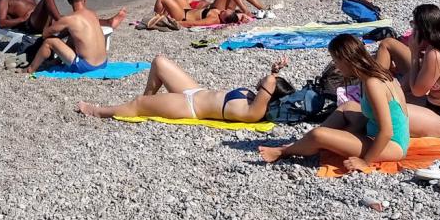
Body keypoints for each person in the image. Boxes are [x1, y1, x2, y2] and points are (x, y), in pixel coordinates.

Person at [259, 34, 409, 170]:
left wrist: (365, 162)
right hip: (379, 134)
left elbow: (387, 131)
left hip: (391, 146)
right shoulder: (375, 73)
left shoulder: (372, 83)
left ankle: (284, 151)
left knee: (319, 134)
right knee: (347, 106)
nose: (336, 67)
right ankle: (304, 143)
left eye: (336, 61)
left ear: (345, 60)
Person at [78, 54, 287, 121]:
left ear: (269, 94)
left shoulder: (255, 111)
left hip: (189, 107)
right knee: (159, 61)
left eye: (268, 83)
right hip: (195, 91)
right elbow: (267, 84)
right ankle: (146, 107)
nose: (264, 80)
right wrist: (274, 70)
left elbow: (268, 83)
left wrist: (274, 74)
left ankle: (97, 110)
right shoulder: (256, 98)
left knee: (139, 103)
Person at [375, 3, 440, 137]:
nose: (412, 33)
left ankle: (374, 94)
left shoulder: (436, 54)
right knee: (388, 103)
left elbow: (417, 91)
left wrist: (414, 53)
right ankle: (376, 92)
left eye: (414, 28)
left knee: (387, 113)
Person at [24, 0, 111, 74]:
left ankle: (30, 69)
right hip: (103, 63)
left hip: (87, 66)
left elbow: (45, 33)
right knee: (74, 34)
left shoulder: (69, 19)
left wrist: (48, 16)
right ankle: (57, 61)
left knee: (49, 42)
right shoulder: (93, 13)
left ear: (69, 1)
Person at [148, 0, 262, 27]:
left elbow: (193, 23)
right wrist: (243, 16)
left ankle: (156, 18)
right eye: (225, 10)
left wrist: (173, 23)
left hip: (183, 15)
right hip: (187, 9)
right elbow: (235, 17)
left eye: (222, 12)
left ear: (223, 19)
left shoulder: (212, 19)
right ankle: (163, 13)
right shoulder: (226, 15)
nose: (221, 11)